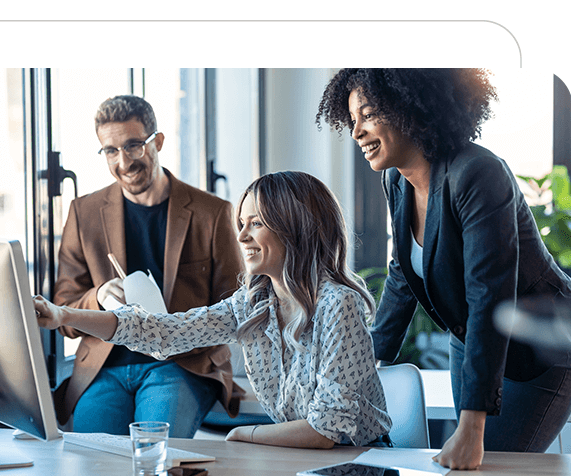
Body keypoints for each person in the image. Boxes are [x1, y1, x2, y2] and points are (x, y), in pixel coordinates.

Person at [316, 68, 571, 469]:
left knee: (494, 473)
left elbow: (490, 297)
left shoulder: (478, 172)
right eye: (352, 121)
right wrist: (363, 365)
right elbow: (403, 275)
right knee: (462, 474)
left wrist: (471, 428)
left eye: (367, 115)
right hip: (469, 341)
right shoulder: (396, 182)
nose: (357, 133)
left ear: (408, 106)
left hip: (534, 351)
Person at [36, 171, 392, 449]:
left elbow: (325, 430)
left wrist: (244, 436)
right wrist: (63, 316)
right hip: (304, 457)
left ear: (295, 228)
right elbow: (162, 333)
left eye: (256, 223)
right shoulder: (254, 302)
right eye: (242, 223)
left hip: (360, 463)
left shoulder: (338, 305)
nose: (241, 237)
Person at [52, 95, 243, 438]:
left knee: (154, 449)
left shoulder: (212, 213)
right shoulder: (84, 212)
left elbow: (234, 309)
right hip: (104, 366)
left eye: (133, 146)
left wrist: (177, 333)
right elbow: (63, 308)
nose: (123, 161)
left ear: (157, 142)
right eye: (110, 151)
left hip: (181, 364)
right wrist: (97, 297)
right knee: (91, 459)